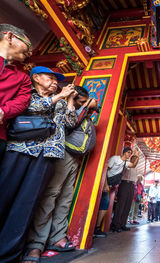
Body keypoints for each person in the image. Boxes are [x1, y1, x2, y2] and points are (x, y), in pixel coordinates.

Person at [0, 66, 77, 262]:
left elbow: (70, 122)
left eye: (56, 80)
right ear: (36, 78)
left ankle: (10, 252)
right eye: (50, 78)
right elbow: (32, 108)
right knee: (4, 194)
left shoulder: (60, 101)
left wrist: (68, 100)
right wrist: (59, 97)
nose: (54, 82)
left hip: (47, 154)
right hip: (19, 149)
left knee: (28, 201)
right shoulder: (26, 92)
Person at [24, 87, 96, 261]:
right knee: (51, 195)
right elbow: (71, 123)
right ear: (74, 97)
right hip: (61, 154)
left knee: (65, 198)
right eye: (81, 101)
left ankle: (57, 237)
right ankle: (36, 243)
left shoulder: (80, 110)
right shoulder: (62, 104)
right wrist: (84, 106)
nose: (83, 105)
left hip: (74, 158)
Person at [0, 24, 32, 161]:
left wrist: (3, 111)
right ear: (10, 36)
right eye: (28, 46)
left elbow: (22, 102)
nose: (30, 53)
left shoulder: (23, 77)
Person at [110, 148, 139, 232]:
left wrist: (137, 156)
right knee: (121, 205)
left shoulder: (135, 167)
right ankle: (116, 225)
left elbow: (135, 164)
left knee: (127, 205)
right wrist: (136, 155)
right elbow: (133, 163)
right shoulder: (126, 164)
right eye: (133, 157)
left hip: (131, 186)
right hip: (124, 184)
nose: (135, 159)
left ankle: (122, 224)